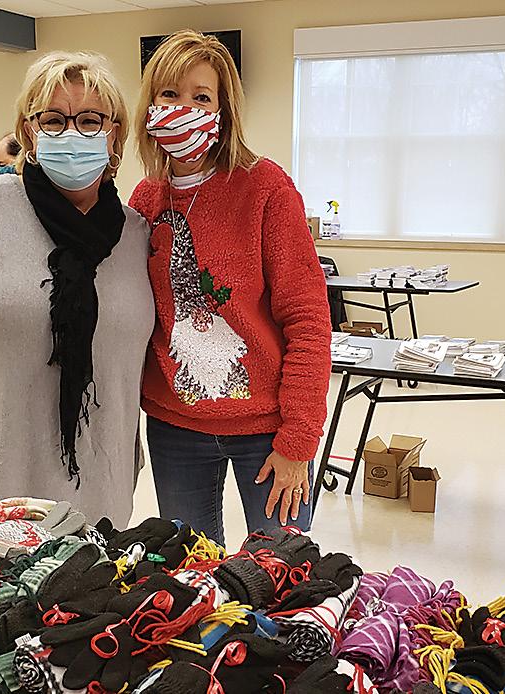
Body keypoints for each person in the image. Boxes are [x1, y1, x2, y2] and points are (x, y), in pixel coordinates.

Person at [0, 51, 154, 523]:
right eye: (53, 120)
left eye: (90, 120)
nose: (72, 134)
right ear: (30, 132)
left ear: (114, 134)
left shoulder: (136, 234)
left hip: (100, 475)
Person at [130, 30, 331, 544]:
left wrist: (299, 439)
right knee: (193, 573)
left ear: (223, 111)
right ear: (150, 105)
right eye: (170, 94)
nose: (184, 108)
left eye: (201, 97)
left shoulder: (265, 187)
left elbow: (308, 318)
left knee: (280, 569)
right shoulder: (146, 199)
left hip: (267, 429)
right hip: (176, 427)